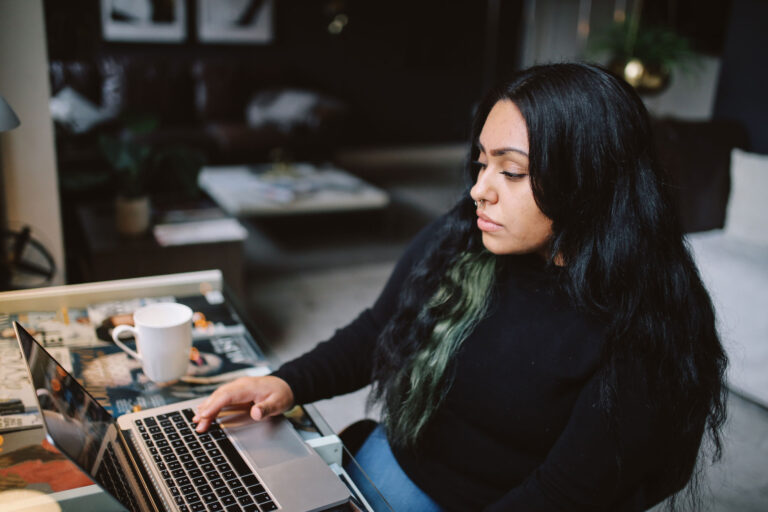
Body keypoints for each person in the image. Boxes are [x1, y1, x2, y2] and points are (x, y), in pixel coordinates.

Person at [193, 62, 727, 511]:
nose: (478, 191)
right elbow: (381, 329)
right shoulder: (461, 237)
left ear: (589, 178)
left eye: (511, 173)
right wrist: (286, 384)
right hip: (391, 462)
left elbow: (561, 495)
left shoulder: (647, 325)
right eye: (480, 163)